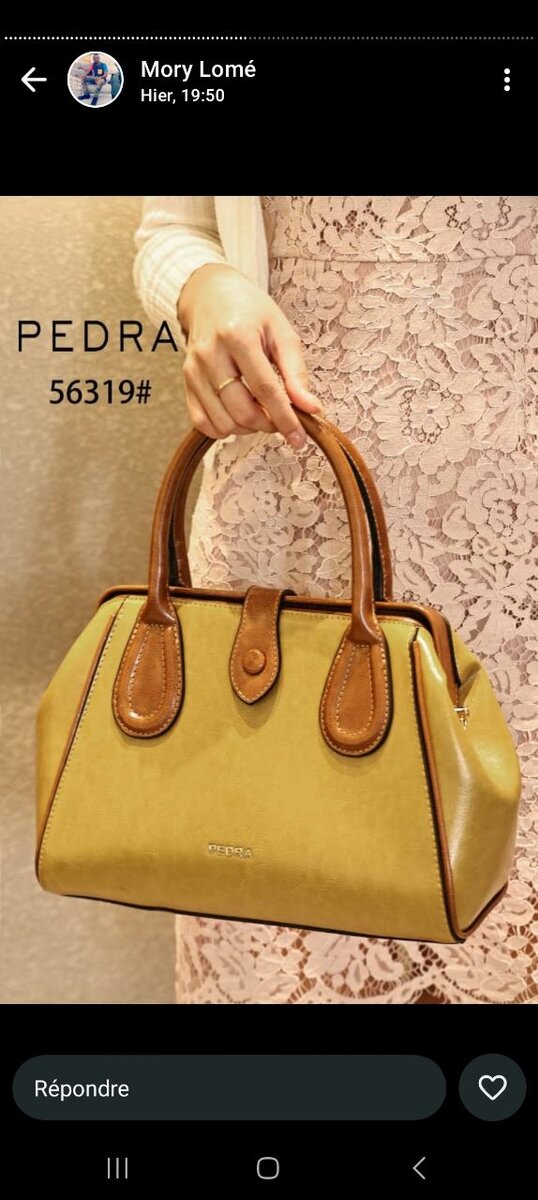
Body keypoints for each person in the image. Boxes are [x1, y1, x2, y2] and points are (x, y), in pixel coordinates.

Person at [134, 196, 537, 1005]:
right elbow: (170, 229)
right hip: (282, 498)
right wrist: (206, 286)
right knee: (273, 904)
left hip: (513, 530)